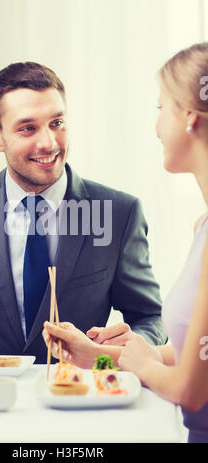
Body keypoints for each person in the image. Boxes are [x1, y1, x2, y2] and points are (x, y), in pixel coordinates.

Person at [0, 62, 166, 364]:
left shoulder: (118, 212)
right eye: (28, 128)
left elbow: (149, 317)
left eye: (57, 123)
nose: (49, 143)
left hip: (78, 398)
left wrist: (133, 343)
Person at [43, 43, 208, 442]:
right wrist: (98, 354)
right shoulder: (202, 225)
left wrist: (143, 367)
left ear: (188, 116)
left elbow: (190, 390)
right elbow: (196, 358)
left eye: (160, 109)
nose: (155, 127)